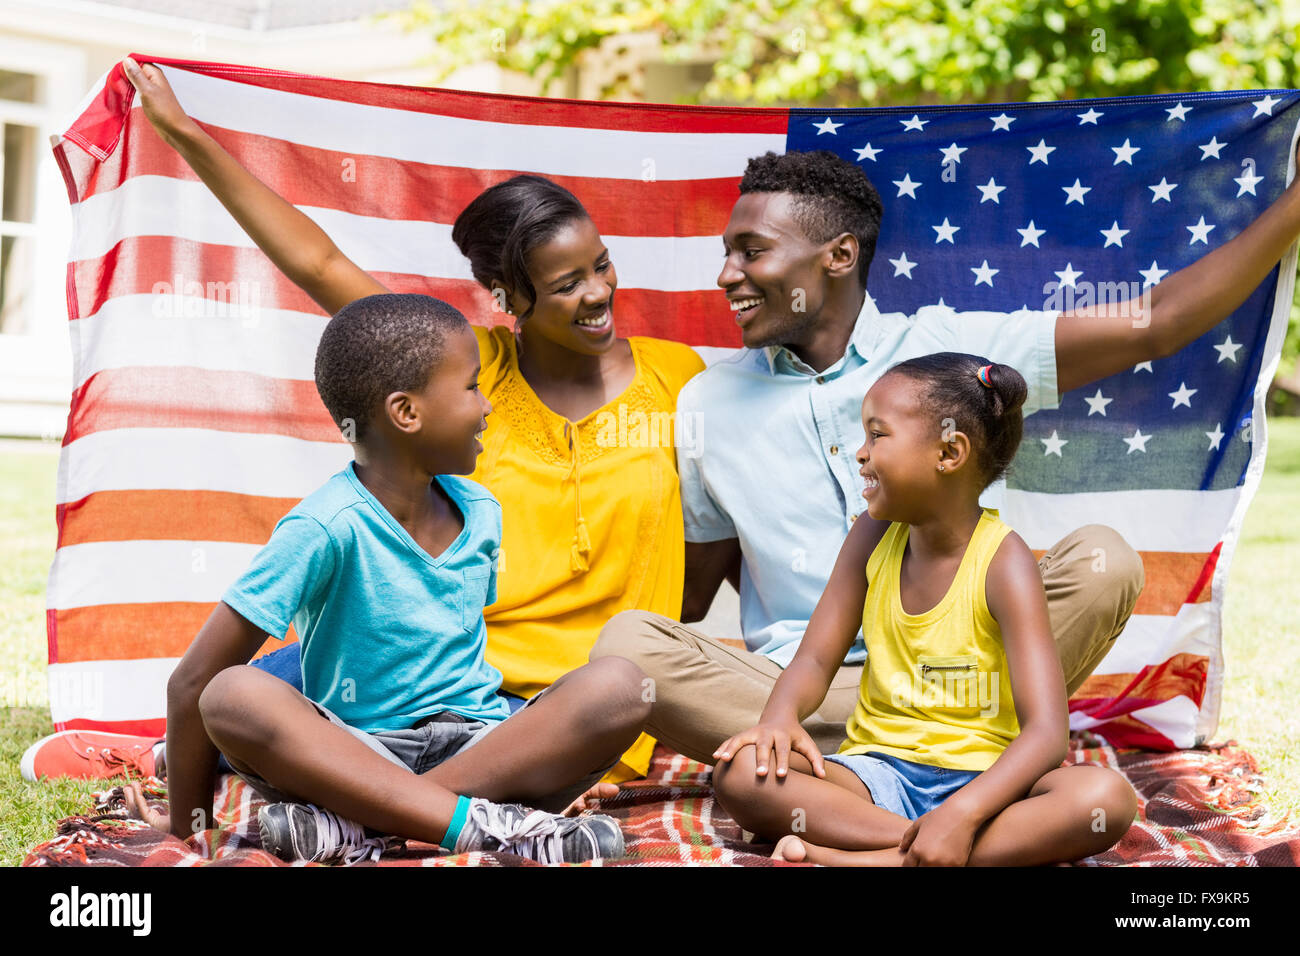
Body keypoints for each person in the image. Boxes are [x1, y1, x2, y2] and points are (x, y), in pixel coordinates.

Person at [20, 57, 705, 790]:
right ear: (509, 296)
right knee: (246, 691)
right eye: (569, 284)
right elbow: (318, 262)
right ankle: (171, 758)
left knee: (597, 702)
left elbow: (708, 549)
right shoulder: (466, 369)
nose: (600, 293)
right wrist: (186, 136)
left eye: (602, 266)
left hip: (545, 706)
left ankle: (345, 792)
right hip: (422, 673)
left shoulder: (679, 379)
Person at [594, 144, 1300, 763]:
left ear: (838, 255)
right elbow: (688, 592)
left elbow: (1156, 324)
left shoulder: (949, 352)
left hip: (966, 671)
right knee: (633, 644)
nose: (726, 275)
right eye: (728, 253)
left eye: (751, 251)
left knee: (1103, 562)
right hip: (802, 690)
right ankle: (929, 756)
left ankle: (881, 763)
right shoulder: (706, 402)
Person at [126, 293, 650, 865]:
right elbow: (192, 683)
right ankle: (484, 827)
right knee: (232, 694)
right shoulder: (324, 527)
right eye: (473, 386)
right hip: (354, 756)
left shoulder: (481, 511)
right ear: (406, 413)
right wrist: (184, 830)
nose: (489, 406)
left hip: (483, 745)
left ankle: (366, 828)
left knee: (623, 685)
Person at [711, 353, 1138, 865]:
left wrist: (964, 812)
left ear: (949, 452)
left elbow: (1046, 734)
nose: (860, 454)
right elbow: (815, 660)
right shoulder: (871, 536)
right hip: (875, 776)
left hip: (985, 787)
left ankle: (880, 857)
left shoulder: (1005, 562)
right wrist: (778, 719)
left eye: (877, 436)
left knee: (1103, 800)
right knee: (740, 774)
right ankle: (922, 851)